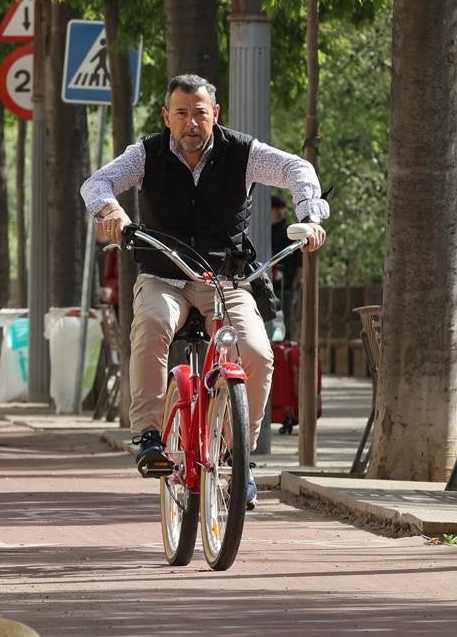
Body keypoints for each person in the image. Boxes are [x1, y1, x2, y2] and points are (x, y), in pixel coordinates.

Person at [80, 74, 329, 507]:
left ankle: (238, 456)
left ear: (215, 114)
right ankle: (149, 436)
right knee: (153, 324)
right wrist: (113, 212)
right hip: (164, 275)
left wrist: (310, 216)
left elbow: (296, 168)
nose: (191, 123)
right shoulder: (146, 154)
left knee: (257, 352)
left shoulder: (243, 153)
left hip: (224, 278)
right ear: (167, 117)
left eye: (200, 113)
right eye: (181, 114)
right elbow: (95, 184)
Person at [270, 195, 303, 339]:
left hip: (286, 282)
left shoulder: (289, 230)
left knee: (286, 316)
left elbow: (298, 259)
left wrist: (297, 279)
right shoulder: (267, 229)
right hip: (269, 281)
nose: (278, 212)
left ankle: (286, 346)